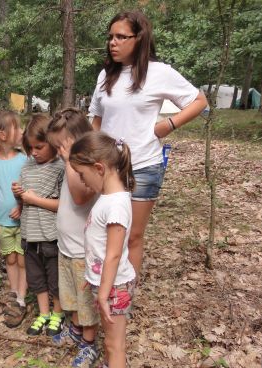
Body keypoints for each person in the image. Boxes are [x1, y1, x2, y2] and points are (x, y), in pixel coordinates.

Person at [89, 11, 208, 280]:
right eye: (111, 37)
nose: (113, 42)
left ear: (139, 38)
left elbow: (199, 101)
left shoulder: (160, 73)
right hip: (105, 167)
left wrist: (169, 125)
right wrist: (86, 153)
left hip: (143, 166)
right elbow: (95, 121)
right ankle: (104, 284)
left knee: (133, 235)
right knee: (106, 228)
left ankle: (125, 294)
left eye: (121, 36)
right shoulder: (105, 75)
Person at [69, 131, 136, 368]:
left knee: (114, 344)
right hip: (107, 284)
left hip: (116, 287)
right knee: (110, 339)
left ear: (99, 168)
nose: (83, 182)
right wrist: (93, 279)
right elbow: (99, 250)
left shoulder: (117, 203)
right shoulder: (108, 196)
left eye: (83, 175)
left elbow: (113, 254)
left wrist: (105, 290)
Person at [45, 108, 99, 368]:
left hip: (83, 251)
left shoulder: (91, 168)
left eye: (61, 147)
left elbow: (79, 197)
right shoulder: (71, 165)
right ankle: (76, 330)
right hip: (66, 247)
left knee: (86, 302)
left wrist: (69, 161)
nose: (58, 153)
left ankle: (89, 343)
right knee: (71, 298)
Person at [12, 115, 65, 337]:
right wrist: (19, 196)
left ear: (53, 142)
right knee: (36, 278)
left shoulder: (62, 167)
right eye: (30, 148)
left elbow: (64, 205)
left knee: (55, 278)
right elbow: (24, 200)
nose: (34, 152)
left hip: (51, 235)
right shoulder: (27, 167)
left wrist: (34, 200)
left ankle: (58, 313)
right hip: (29, 233)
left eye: (39, 147)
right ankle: (43, 313)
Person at [0, 110, 28, 328]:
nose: (21, 131)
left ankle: (21, 297)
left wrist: (21, 206)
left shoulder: (25, 159)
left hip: (23, 221)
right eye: (17, 128)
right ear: (2, 135)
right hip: (2, 222)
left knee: (22, 260)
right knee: (10, 259)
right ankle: (13, 292)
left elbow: (29, 187)